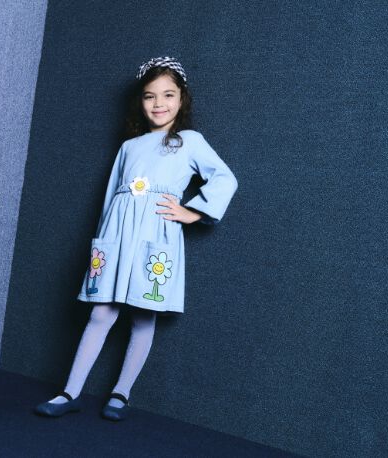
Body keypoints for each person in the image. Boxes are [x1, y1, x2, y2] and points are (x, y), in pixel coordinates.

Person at [35, 57, 237, 421]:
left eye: (168, 95)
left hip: (154, 236)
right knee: (101, 312)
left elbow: (225, 178)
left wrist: (193, 211)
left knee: (144, 315)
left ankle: (121, 393)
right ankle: (70, 392)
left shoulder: (190, 142)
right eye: (150, 96)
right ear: (140, 101)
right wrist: (102, 243)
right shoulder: (130, 146)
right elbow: (110, 196)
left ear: (181, 99)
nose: (159, 103)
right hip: (117, 236)